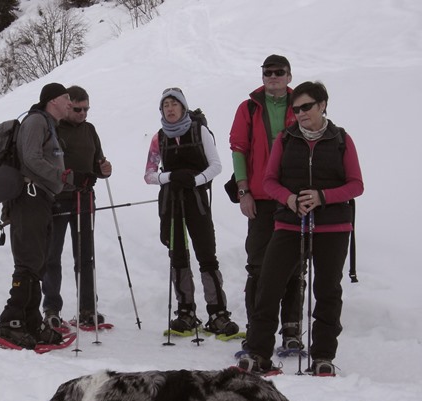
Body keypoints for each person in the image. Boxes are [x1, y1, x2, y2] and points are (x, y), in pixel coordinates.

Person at [237, 81, 364, 376]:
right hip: (289, 223)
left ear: (322, 105)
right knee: (269, 285)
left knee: (327, 290)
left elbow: (356, 184)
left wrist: (322, 196)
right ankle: (258, 355)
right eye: (296, 109)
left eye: (306, 106)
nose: (301, 113)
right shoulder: (285, 139)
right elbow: (269, 181)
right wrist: (290, 199)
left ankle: (323, 358)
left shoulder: (341, 139)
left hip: (333, 226)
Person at [0, 83, 98, 349]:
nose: (69, 103)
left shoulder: (47, 124)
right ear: (53, 101)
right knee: (29, 259)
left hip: (41, 198)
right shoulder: (37, 121)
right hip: (28, 197)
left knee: (37, 261)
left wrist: (73, 180)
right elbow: (30, 158)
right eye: (66, 99)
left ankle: (29, 319)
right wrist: (65, 175)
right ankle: (11, 320)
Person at [144, 88, 239, 336]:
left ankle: (218, 313)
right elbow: (149, 175)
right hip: (171, 201)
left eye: (175, 104)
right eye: (166, 105)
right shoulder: (158, 138)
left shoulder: (199, 131)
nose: (170, 109)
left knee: (206, 254)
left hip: (196, 198)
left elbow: (216, 165)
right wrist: (170, 176)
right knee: (177, 256)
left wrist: (195, 181)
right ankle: (186, 312)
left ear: (184, 107)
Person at [229, 54, 303, 351]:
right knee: (258, 266)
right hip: (260, 198)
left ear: (289, 76)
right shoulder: (249, 107)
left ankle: (292, 330)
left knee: (295, 266)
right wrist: (243, 191)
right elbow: (238, 149)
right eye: (268, 72)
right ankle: (256, 328)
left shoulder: (302, 104)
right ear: (262, 76)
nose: (273, 76)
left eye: (279, 72)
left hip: (295, 198)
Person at [42, 85, 112, 328]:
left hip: (84, 198)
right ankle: (51, 307)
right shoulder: (53, 127)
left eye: (86, 109)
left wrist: (104, 169)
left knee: (85, 256)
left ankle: (87, 308)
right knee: (52, 255)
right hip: (58, 198)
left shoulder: (90, 130)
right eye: (78, 109)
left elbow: (98, 163)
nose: (83, 113)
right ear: (67, 105)